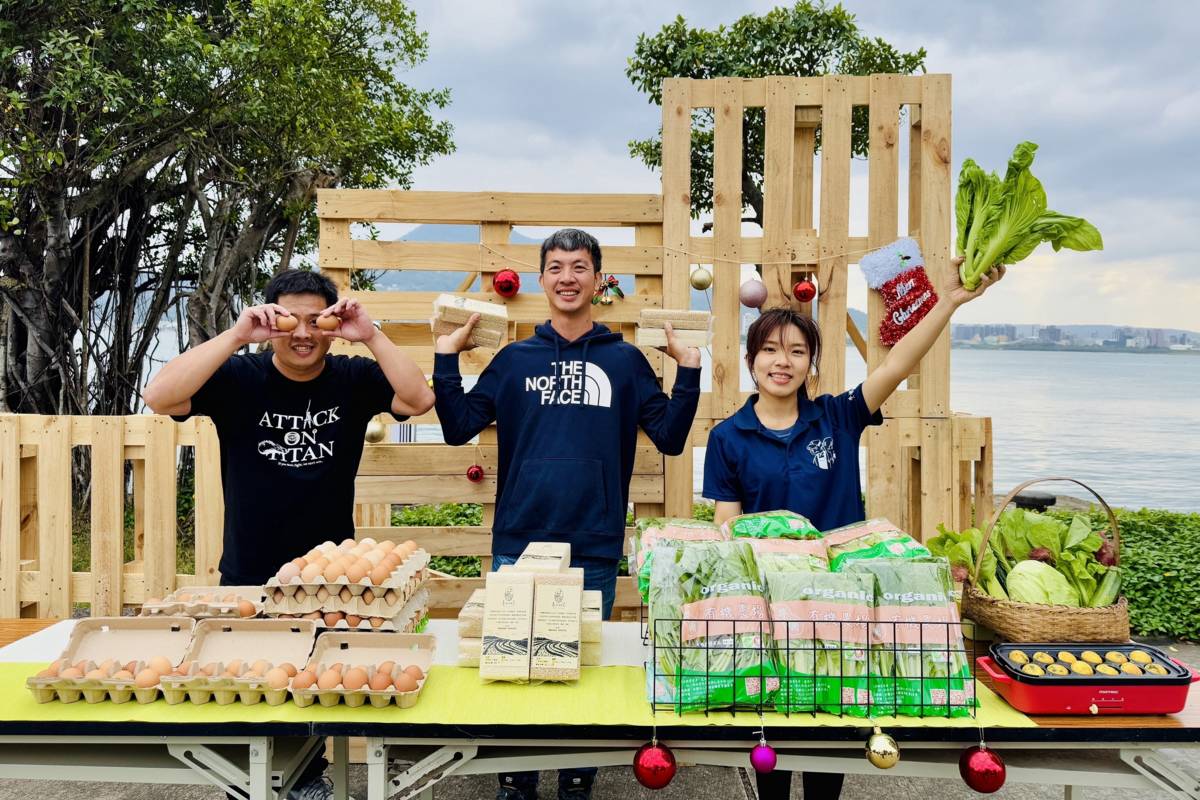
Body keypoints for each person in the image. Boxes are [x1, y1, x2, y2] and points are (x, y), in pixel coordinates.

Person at [703, 258, 1005, 800]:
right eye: (769, 350)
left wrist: (950, 301)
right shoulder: (729, 436)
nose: (782, 362)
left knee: (833, 740)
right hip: (772, 608)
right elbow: (727, 527)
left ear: (811, 364)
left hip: (841, 607)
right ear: (751, 362)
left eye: (797, 352)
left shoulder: (837, 417)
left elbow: (897, 365)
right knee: (774, 745)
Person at [143, 269, 433, 800]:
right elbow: (158, 396)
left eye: (315, 320)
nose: (302, 333)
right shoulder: (239, 377)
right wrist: (236, 336)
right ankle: (246, 785)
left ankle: (308, 778)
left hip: (327, 578)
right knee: (245, 682)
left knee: (312, 685)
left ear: (332, 324)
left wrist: (370, 334)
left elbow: (418, 401)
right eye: (289, 319)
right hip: (250, 564)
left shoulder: (352, 378)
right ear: (270, 320)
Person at [433, 228, 701, 800]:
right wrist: (446, 357)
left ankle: (577, 780)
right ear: (541, 280)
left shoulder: (625, 361)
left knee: (579, 666)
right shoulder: (514, 360)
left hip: (594, 541)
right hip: (519, 539)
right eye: (556, 267)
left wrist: (690, 370)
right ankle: (517, 782)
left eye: (580, 267)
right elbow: (458, 426)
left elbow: (672, 437)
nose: (567, 277)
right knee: (511, 666)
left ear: (598, 279)